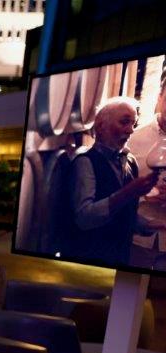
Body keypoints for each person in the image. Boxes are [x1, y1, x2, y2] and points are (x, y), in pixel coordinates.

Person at [66, 96, 162, 265]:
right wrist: (128, 192)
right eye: (124, 122)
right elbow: (84, 218)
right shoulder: (85, 162)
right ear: (101, 126)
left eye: (133, 124)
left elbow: (126, 215)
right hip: (91, 258)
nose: (131, 130)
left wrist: (151, 225)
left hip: (121, 257)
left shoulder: (129, 161)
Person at [127, 73, 166, 271]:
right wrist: (143, 196)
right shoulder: (132, 139)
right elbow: (115, 188)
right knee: (128, 285)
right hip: (137, 239)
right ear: (159, 97)